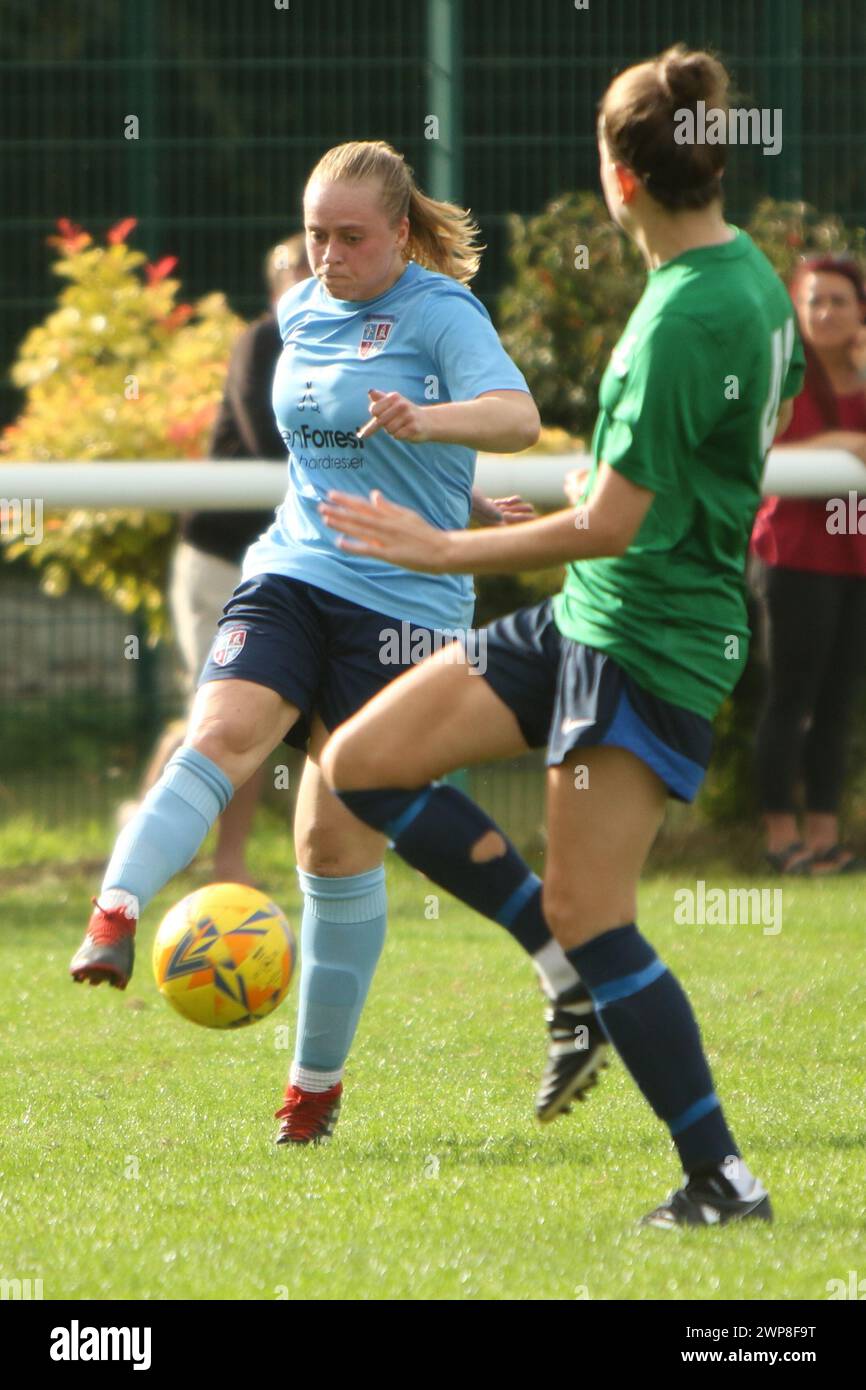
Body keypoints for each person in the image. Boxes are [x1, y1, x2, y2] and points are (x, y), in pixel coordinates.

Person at [318, 47, 805, 1228]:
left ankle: (718, 1177)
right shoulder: (744, 278)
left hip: (645, 643)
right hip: (589, 614)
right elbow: (651, 487)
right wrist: (556, 510)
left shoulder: (681, 320)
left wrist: (440, 551)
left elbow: (613, 525)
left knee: (600, 914)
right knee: (360, 764)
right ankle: (564, 972)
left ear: (618, 179)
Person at [69, 139, 599, 1147]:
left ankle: (313, 1094)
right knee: (222, 731)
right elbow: (329, 447)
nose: (328, 256)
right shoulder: (298, 312)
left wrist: (435, 428)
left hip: (402, 603)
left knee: (335, 836)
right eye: (315, 234)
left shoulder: (441, 312)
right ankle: (115, 914)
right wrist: (433, 466)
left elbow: (517, 417)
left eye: (351, 237)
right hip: (292, 570)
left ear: (399, 233)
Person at [116, 236, 312, 884]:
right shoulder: (263, 342)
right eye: (297, 270)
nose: (311, 279)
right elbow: (265, 439)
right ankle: (176, 852)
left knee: (234, 714)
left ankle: (162, 843)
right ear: (274, 287)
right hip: (220, 556)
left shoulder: (342, 346)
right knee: (224, 713)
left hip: (280, 563)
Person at [750, 256, 866, 875]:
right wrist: (846, 448)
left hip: (857, 559)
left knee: (839, 700)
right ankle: (779, 841)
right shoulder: (781, 376)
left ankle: (824, 839)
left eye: (840, 301)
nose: (825, 313)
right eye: (814, 301)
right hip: (793, 557)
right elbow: (766, 451)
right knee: (789, 698)